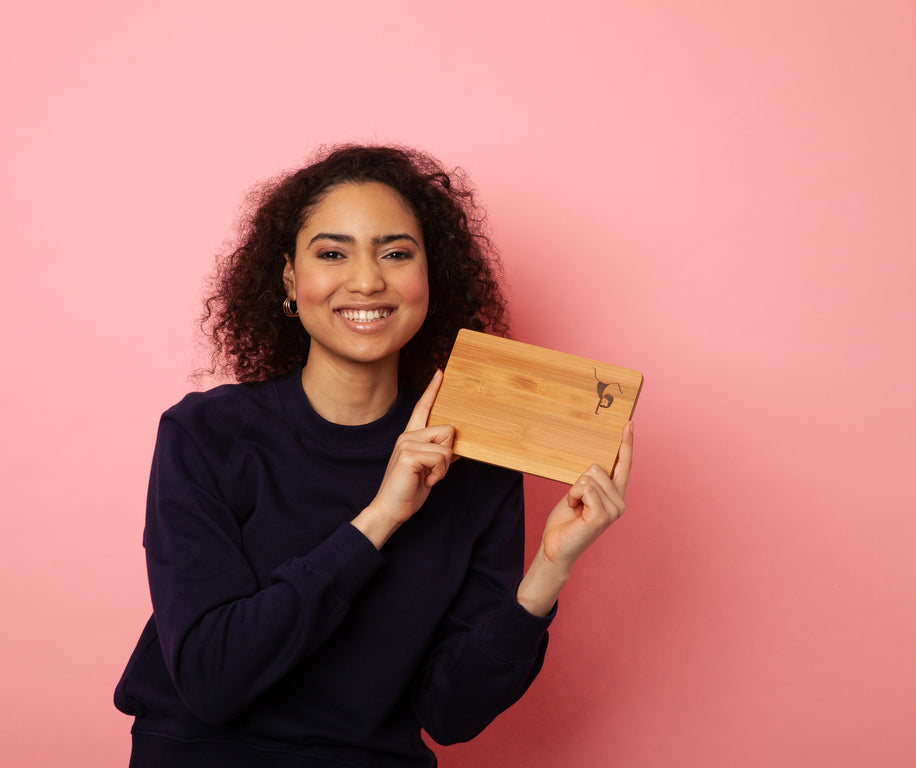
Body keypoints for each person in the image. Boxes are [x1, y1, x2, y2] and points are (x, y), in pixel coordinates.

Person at [114, 144, 633, 767]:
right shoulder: (207, 434)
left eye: (395, 253)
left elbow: (451, 714)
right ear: (288, 279)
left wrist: (548, 572)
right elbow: (210, 679)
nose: (366, 280)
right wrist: (381, 516)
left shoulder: (480, 462)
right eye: (332, 253)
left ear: (428, 278)